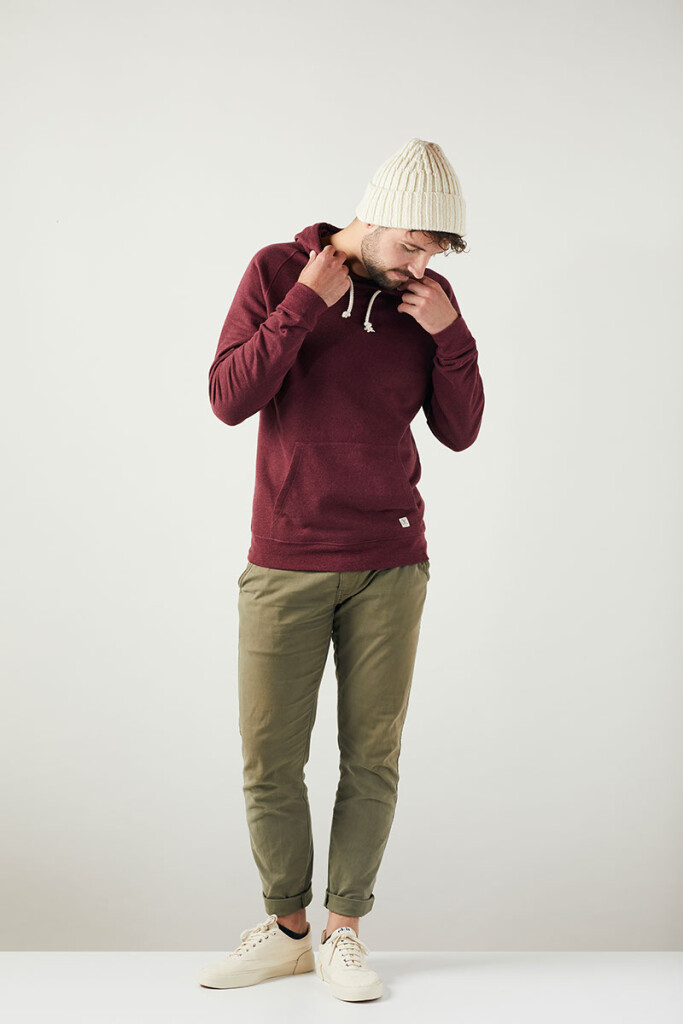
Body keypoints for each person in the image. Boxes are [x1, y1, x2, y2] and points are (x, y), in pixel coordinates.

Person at [198, 138, 485, 1002]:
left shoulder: (425, 302)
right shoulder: (277, 270)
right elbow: (228, 399)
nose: (421, 264)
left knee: (371, 757)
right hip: (285, 557)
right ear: (375, 215)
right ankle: (288, 931)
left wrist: (449, 332)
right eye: (413, 245)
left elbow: (460, 430)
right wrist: (302, 305)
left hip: (389, 564)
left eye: (436, 252)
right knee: (268, 758)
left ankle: (342, 933)